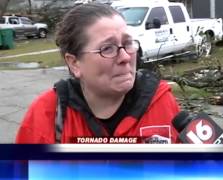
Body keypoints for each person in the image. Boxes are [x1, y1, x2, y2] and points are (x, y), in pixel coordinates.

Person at [15, 3, 180, 144]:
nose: (125, 57)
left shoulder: (161, 102)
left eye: (128, 43)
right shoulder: (46, 115)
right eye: (107, 48)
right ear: (74, 63)